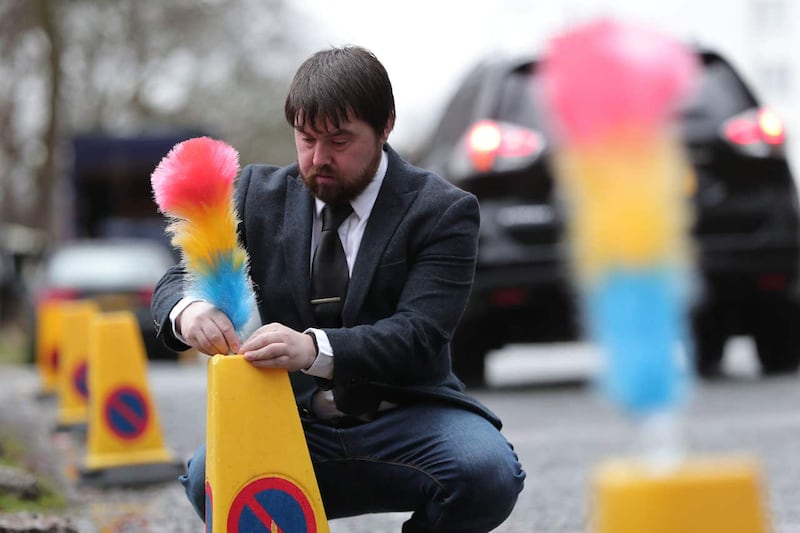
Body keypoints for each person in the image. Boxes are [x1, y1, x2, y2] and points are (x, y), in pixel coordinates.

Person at [151, 45, 525, 532]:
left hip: (410, 420)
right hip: (293, 423)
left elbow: (419, 334)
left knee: (488, 472)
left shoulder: (443, 210)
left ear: (385, 126)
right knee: (208, 479)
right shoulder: (253, 196)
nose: (318, 159)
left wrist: (311, 349)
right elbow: (176, 279)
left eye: (340, 141)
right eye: (306, 140)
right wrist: (190, 309)